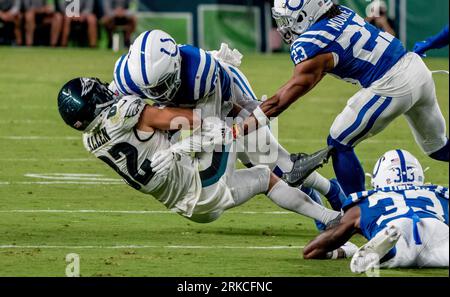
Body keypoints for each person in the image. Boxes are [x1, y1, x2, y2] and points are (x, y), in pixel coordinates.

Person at [112, 30, 349, 226]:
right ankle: (324, 196)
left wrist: (176, 150)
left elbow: (209, 130)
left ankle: (329, 192)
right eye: (149, 90)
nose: (157, 95)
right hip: (195, 108)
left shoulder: (199, 75)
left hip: (228, 94)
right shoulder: (127, 76)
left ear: (176, 65)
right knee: (262, 159)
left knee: (263, 155)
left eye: (161, 85)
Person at [56, 77, 342, 227]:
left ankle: (329, 206)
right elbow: (192, 120)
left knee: (258, 168)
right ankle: (321, 200)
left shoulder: (91, 140)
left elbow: (155, 139)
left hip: (187, 206)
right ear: (95, 103)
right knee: (225, 113)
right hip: (202, 184)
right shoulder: (126, 114)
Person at [235, 0, 449, 196]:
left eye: (287, 20)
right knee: (439, 148)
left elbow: (283, 99)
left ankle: (356, 211)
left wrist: (241, 128)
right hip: (417, 69)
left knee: (339, 141)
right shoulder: (342, 13)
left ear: (304, 15)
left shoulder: (311, 43)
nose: (283, 26)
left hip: (392, 84)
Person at [302, 149, 449, 273]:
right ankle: (387, 250)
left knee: (399, 253)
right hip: (435, 227)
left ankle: (387, 252)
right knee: (444, 249)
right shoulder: (438, 194)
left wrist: (344, 251)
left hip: (394, 227)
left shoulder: (366, 202)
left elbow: (312, 250)